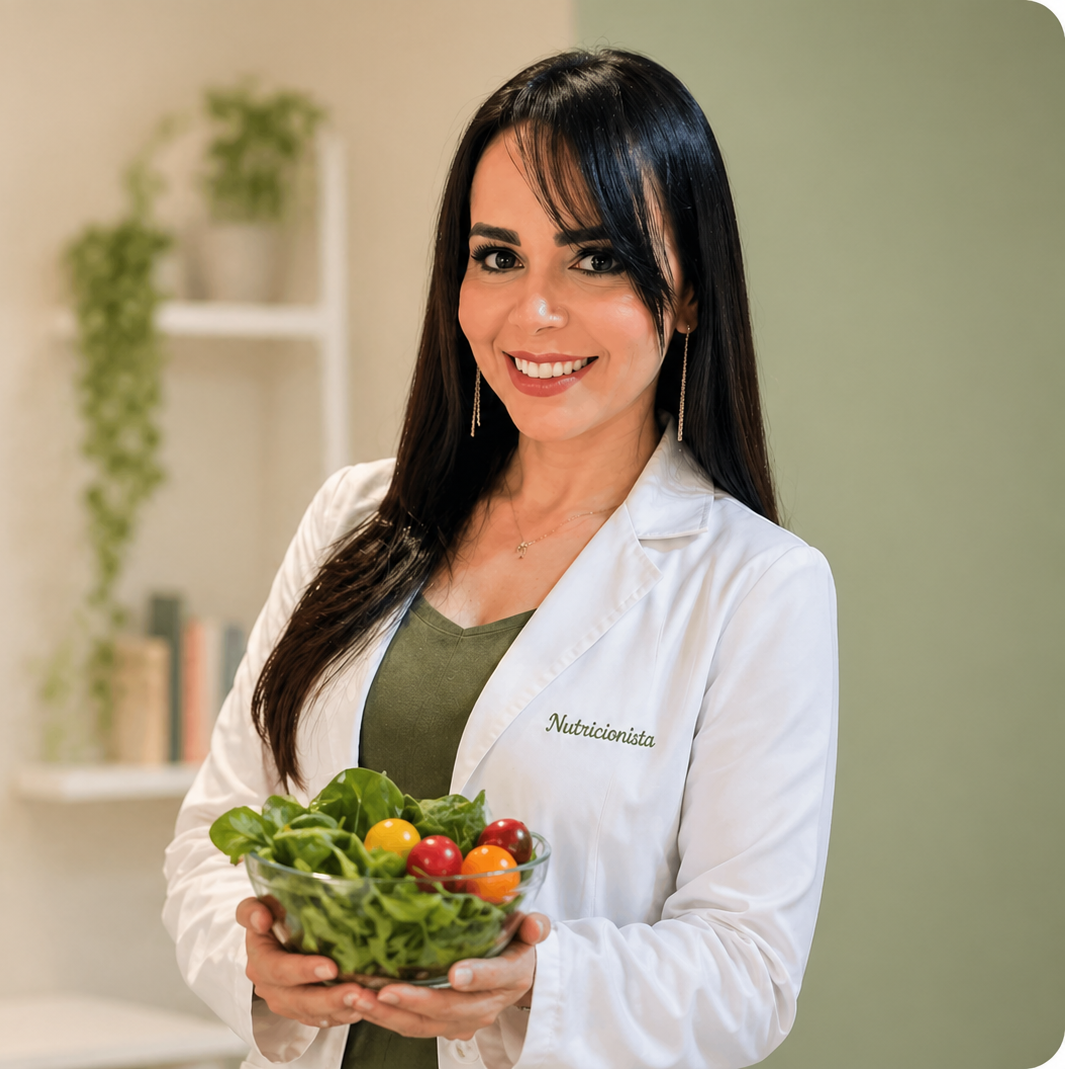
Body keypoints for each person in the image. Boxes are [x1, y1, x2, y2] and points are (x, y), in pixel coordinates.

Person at [163, 49, 838, 1069]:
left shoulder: (756, 586)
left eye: (597, 257)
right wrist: (255, 958)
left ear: (689, 291)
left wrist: (536, 982)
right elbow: (215, 833)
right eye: (496, 256)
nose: (534, 311)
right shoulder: (352, 518)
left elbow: (749, 972)